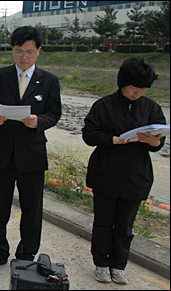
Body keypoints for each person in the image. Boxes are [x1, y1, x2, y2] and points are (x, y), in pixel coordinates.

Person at [0, 26, 62, 273]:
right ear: (12, 51)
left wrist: (39, 122)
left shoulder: (49, 81)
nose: (23, 57)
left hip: (32, 154)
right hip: (2, 152)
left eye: (28, 52)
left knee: (32, 209)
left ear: (38, 51)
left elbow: (54, 113)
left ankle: (26, 254)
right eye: (18, 51)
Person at [82, 57, 165, 284]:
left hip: (136, 176)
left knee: (125, 226)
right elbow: (89, 134)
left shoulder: (152, 108)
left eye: (142, 89)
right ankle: (101, 263)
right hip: (106, 173)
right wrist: (114, 140)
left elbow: (160, 142)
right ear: (121, 83)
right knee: (103, 222)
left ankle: (118, 265)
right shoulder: (103, 105)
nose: (137, 93)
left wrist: (153, 142)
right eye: (133, 88)